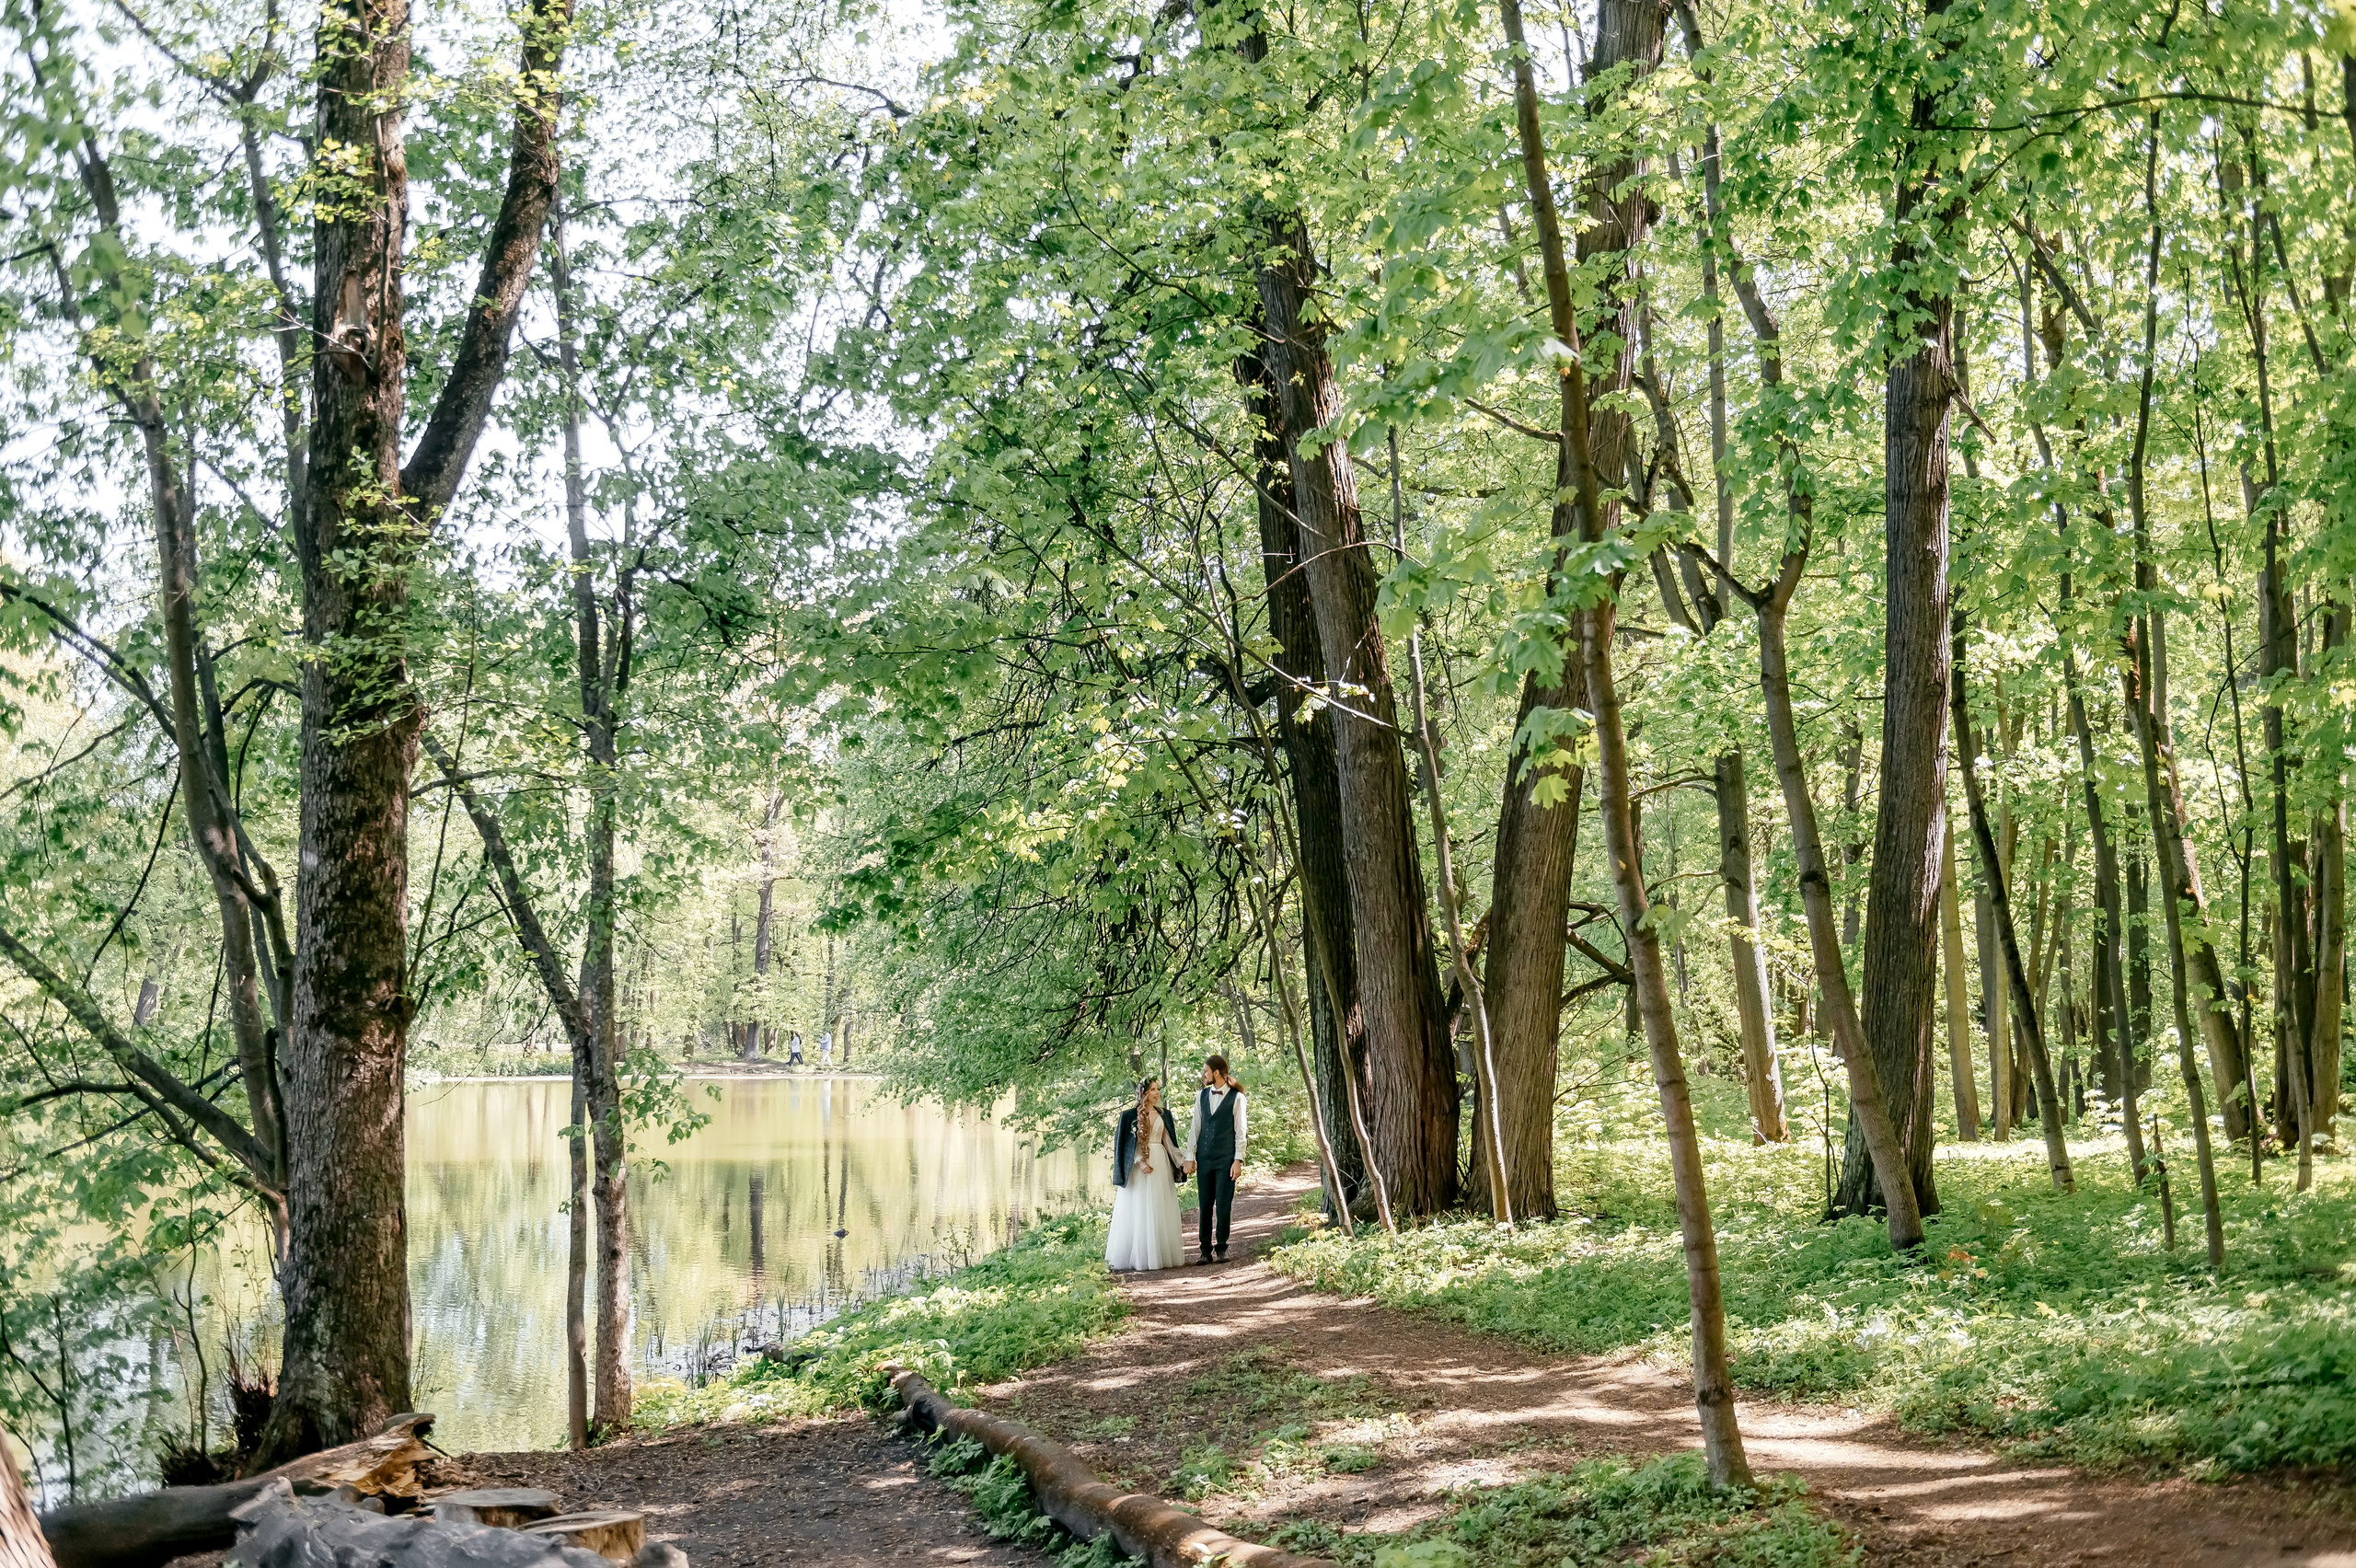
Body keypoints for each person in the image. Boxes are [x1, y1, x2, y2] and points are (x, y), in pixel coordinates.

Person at [1106, 1078, 1187, 1271]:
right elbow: (1124, 1146)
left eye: (1157, 1089)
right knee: (1140, 1207)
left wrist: (1184, 1162)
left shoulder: (1164, 1114)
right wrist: (1139, 1161)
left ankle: (1160, 1254)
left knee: (1158, 1206)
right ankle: (1139, 1256)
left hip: (1160, 1163)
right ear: (1143, 1093)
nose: (1157, 1093)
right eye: (1152, 1089)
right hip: (1139, 1168)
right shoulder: (1129, 1116)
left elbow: (1169, 1144)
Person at [1183, 1055, 1245, 1264]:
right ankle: (1205, 1250)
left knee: (1224, 1203)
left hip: (1226, 1159)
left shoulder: (1237, 1098)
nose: (1203, 1075)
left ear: (1216, 1073)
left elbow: (1241, 1132)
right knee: (1205, 1204)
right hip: (1205, 1158)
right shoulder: (1201, 1096)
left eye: (1206, 1071)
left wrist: (1238, 1160)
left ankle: (1222, 1248)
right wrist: (1190, 1156)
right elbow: (1195, 1127)